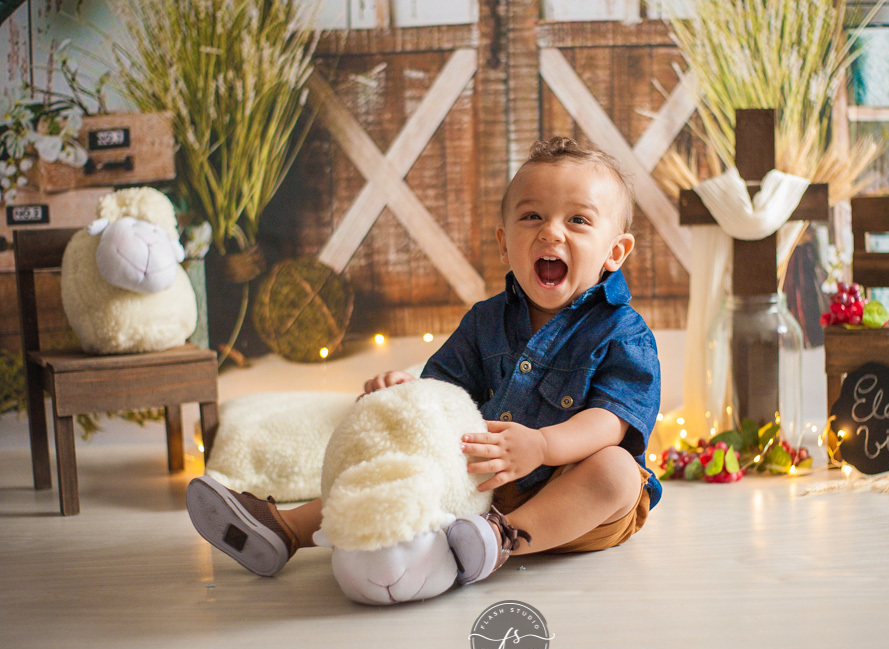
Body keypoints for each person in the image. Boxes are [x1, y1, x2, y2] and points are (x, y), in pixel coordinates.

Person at [186, 136, 663, 583]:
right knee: (415, 457)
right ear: (504, 243)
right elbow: (444, 390)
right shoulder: (485, 322)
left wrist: (542, 446)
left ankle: (502, 541)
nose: (550, 232)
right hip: (487, 486)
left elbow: (611, 421)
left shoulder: (623, 332)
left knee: (616, 471)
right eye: (532, 217)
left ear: (614, 252)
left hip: (577, 500)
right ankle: (285, 529)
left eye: (578, 220)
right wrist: (408, 392)